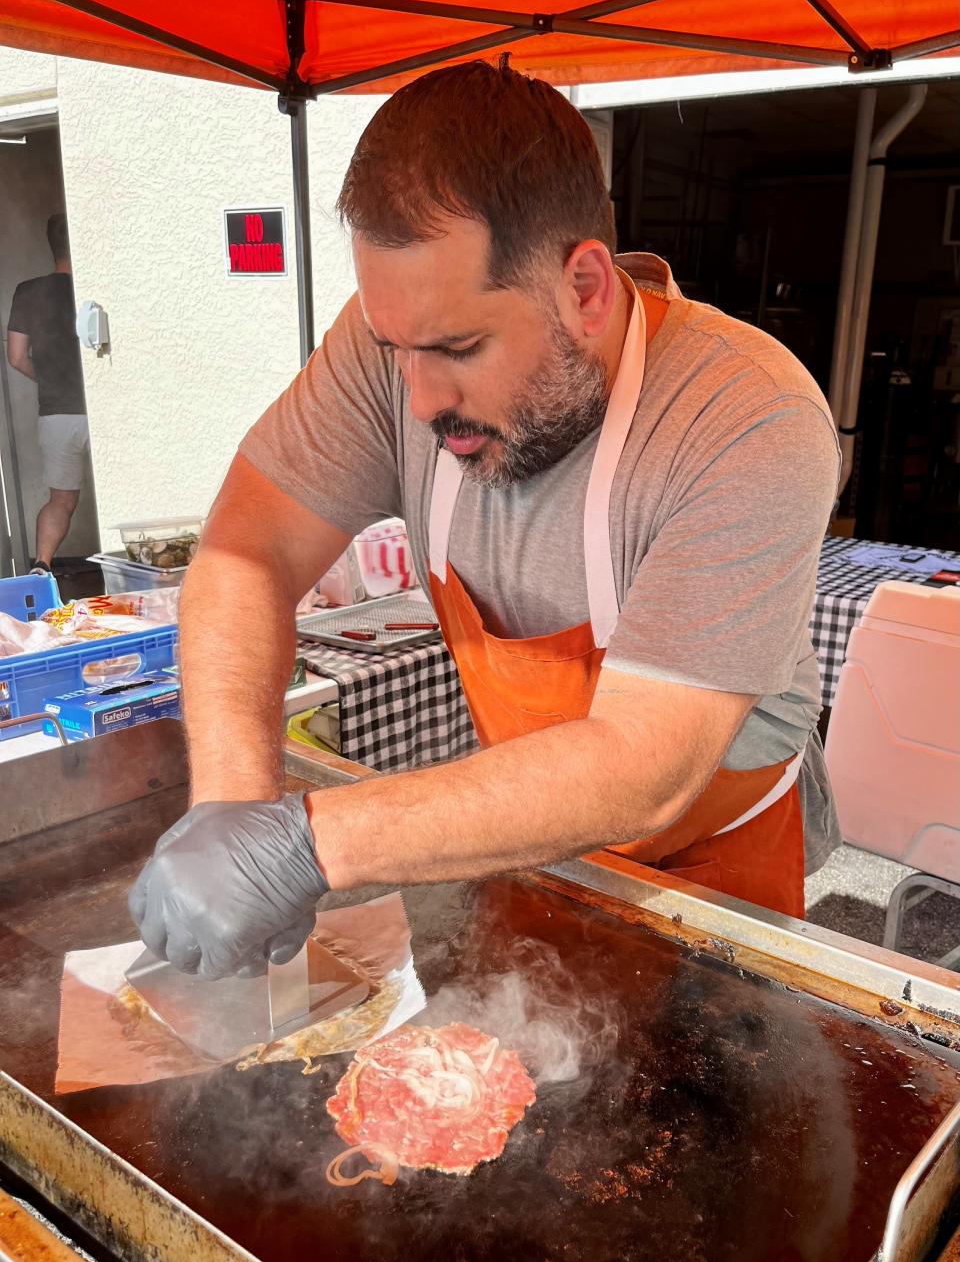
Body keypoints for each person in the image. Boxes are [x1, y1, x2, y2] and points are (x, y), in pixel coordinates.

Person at [130, 61, 841, 982]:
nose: (420, 399)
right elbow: (244, 550)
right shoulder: (403, 337)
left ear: (585, 286)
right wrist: (228, 808)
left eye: (461, 349)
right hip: (526, 835)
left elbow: (643, 764)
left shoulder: (747, 417)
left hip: (712, 866)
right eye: (398, 352)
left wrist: (301, 846)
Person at [6, 212, 89, 576]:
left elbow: (16, 357)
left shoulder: (29, 291)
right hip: (110, 410)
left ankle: (41, 568)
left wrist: (49, 380)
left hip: (57, 413)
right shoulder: (101, 287)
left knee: (61, 499)